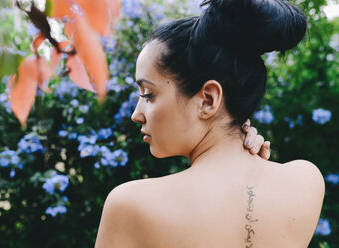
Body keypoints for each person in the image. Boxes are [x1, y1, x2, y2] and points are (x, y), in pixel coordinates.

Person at [95, 0, 325, 247]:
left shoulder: (130, 205)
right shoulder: (306, 181)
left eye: (148, 94)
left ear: (208, 99)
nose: (136, 114)